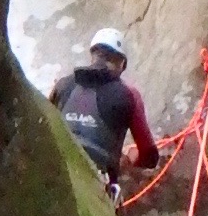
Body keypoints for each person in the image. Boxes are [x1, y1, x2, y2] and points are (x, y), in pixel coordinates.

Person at [50, 29, 161, 191]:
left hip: (57, 169)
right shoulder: (129, 95)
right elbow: (149, 156)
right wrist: (129, 160)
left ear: (93, 55)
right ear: (122, 63)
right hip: (99, 183)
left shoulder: (62, 85)